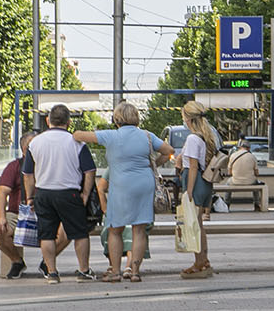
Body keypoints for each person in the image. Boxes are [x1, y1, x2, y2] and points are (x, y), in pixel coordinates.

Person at [73, 102, 173, 282]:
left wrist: (75, 134)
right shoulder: (147, 136)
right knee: (139, 229)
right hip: (144, 183)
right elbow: (168, 151)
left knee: (115, 229)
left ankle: (116, 272)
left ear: (116, 119)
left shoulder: (110, 135)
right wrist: (152, 164)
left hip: (121, 184)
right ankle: (134, 272)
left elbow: (78, 135)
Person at [22, 104, 98, 284]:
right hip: (70, 194)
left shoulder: (35, 143)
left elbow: (28, 175)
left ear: (48, 121)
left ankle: (52, 272)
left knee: (47, 234)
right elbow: (90, 171)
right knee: (79, 233)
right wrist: (85, 194)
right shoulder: (77, 142)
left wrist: (30, 197)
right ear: (68, 122)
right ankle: (84, 270)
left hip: (44, 193)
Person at [0, 132, 63, 278]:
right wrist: (0, 216)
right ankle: (17, 261)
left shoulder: (50, 165)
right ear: (24, 149)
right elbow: (2, 193)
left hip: (47, 213)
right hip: (18, 213)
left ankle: (47, 262)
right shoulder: (14, 167)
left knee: (66, 230)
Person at [177, 101, 221, 278]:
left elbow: (193, 166)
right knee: (199, 225)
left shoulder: (192, 138)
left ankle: (198, 262)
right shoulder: (205, 136)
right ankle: (204, 260)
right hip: (204, 183)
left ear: (187, 118)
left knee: (194, 225)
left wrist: (188, 191)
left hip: (194, 181)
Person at [227, 138, 262, 209]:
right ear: (248, 148)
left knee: (227, 183)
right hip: (250, 181)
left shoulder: (233, 156)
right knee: (256, 183)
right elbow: (257, 173)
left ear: (239, 147)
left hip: (235, 181)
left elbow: (229, 173)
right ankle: (256, 204)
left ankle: (227, 203)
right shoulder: (252, 157)